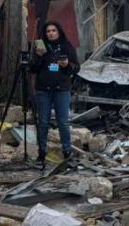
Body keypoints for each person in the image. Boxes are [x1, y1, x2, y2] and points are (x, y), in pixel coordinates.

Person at [30, 21, 79, 165]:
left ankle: (67, 152)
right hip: (43, 91)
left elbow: (77, 68)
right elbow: (32, 69)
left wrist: (67, 65)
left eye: (54, 30)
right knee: (43, 122)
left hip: (61, 90)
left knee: (63, 122)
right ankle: (42, 153)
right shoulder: (40, 47)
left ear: (59, 32)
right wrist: (38, 57)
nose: (51, 33)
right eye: (48, 31)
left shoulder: (66, 46)